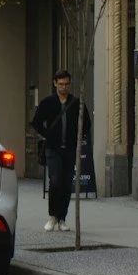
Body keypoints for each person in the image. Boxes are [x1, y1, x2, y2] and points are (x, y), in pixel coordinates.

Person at [29, 70, 91, 232]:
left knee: (66, 183)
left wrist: (78, 135)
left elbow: (86, 124)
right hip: (53, 148)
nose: (64, 87)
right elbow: (36, 122)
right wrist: (48, 134)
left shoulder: (77, 102)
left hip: (70, 149)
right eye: (61, 84)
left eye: (66, 84)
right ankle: (52, 216)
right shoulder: (48, 102)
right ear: (55, 83)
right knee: (55, 181)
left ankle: (62, 217)